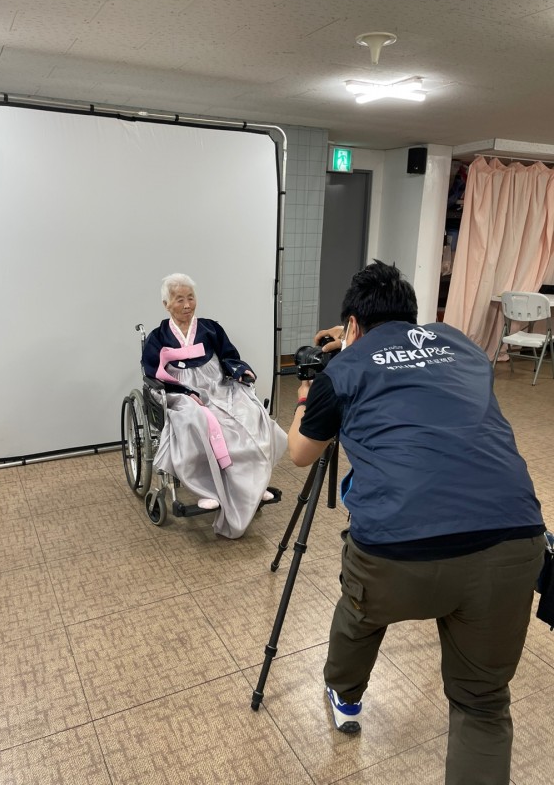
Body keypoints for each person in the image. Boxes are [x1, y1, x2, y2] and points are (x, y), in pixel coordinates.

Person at [287, 260, 546, 785]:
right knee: (482, 704)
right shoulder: (461, 344)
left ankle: (345, 695)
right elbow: (403, 351)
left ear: (353, 325)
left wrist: (311, 389)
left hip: (397, 553)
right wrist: (353, 337)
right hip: (515, 539)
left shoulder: (343, 371)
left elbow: (299, 454)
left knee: (361, 612)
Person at [142, 273, 287, 539]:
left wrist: (240, 371)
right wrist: (182, 390)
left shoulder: (210, 328)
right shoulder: (157, 337)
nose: (187, 305)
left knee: (248, 413)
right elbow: (153, 373)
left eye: (191, 298)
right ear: (166, 304)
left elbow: (229, 356)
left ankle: (253, 486)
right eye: (179, 299)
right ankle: (209, 490)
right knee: (197, 419)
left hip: (217, 385)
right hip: (180, 392)